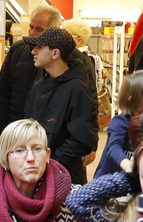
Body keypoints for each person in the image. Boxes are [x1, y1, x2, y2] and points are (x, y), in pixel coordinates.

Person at [22, 26, 98, 184]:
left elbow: (81, 139)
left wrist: (50, 161)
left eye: (40, 47)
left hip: (65, 178)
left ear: (55, 53)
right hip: (36, 173)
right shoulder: (39, 86)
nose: (33, 51)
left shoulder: (77, 89)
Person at [0, 6, 63, 130]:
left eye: (39, 29)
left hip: (51, 132)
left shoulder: (66, 57)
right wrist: (3, 129)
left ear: (53, 30)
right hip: (17, 128)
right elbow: (4, 92)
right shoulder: (17, 50)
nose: (32, 33)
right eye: (31, 27)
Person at [101, 70, 143, 174]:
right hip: (110, 178)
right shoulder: (120, 121)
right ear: (133, 100)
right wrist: (127, 166)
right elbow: (114, 146)